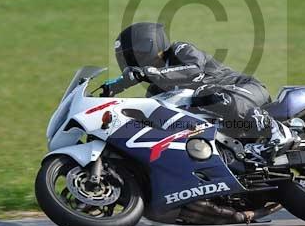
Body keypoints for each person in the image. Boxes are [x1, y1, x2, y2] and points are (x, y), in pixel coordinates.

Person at [112, 22, 289, 151]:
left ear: (149, 46)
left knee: (208, 95)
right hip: (227, 125)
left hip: (246, 90)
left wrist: (151, 72)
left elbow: (194, 70)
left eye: (131, 57)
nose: (130, 64)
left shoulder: (179, 50)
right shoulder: (155, 91)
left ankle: (275, 130)